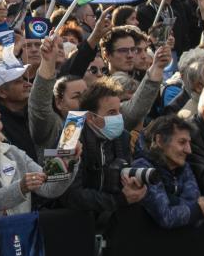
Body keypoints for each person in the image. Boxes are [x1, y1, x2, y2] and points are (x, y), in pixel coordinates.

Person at [62, 81, 147, 220]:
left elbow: (124, 175)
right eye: (111, 113)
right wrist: (118, 200)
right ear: (90, 117)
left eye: (119, 111)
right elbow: (69, 196)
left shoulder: (122, 135)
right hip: (74, 220)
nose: (118, 118)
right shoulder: (69, 135)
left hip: (109, 216)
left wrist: (134, 187)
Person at [130, 115, 204, 229]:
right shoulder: (142, 168)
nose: (189, 150)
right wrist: (196, 210)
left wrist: (175, 204)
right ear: (159, 141)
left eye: (189, 143)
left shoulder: (183, 167)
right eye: (182, 142)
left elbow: (198, 221)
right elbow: (166, 217)